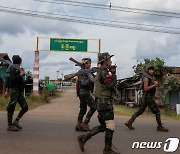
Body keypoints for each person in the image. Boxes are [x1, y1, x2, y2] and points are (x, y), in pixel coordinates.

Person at [77, 52, 120, 154]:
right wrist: (114, 76)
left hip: (102, 102)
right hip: (104, 103)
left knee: (104, 126)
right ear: (104, 61)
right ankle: (107, 149)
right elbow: (110, 85)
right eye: (109, 59)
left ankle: (84, 137)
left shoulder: (103, 71)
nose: (110, 61)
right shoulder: (104, 72)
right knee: (110, 125)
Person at [125, 65, 169, 132]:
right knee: (157, 111)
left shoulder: (151, 78)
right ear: (147, 70)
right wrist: (154, 85)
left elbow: (151, 90)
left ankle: (129, 122)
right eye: (150, 69)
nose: (151, 71)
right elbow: (146, 89)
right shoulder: (146, 78)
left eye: (152, 69)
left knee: (140, 111)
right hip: (148, 97)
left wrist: (154, 96)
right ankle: (160, 126)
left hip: (148, 97)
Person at [5, 55, 29, 131]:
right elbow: (11, 80)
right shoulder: (13, 69)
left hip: (19, 91)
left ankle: (16, 121)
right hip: (14, 91)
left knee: (25, 107)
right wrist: (20, 75)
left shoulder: (18, 69)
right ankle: (9, 125)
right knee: (11, 107)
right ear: (19, 61)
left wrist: (23, 76)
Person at [75, 58, 96, 132]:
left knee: (83, 109)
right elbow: (84, 83)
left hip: (83, 92)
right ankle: (85, 122)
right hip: (84, 93)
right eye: (87, 63)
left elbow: (95, 79)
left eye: (90, 63)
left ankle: (78, 124)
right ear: (84, 64)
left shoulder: (87, 72)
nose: (89, 64)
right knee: (94, 106)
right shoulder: (83, 72)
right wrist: (90, 80)